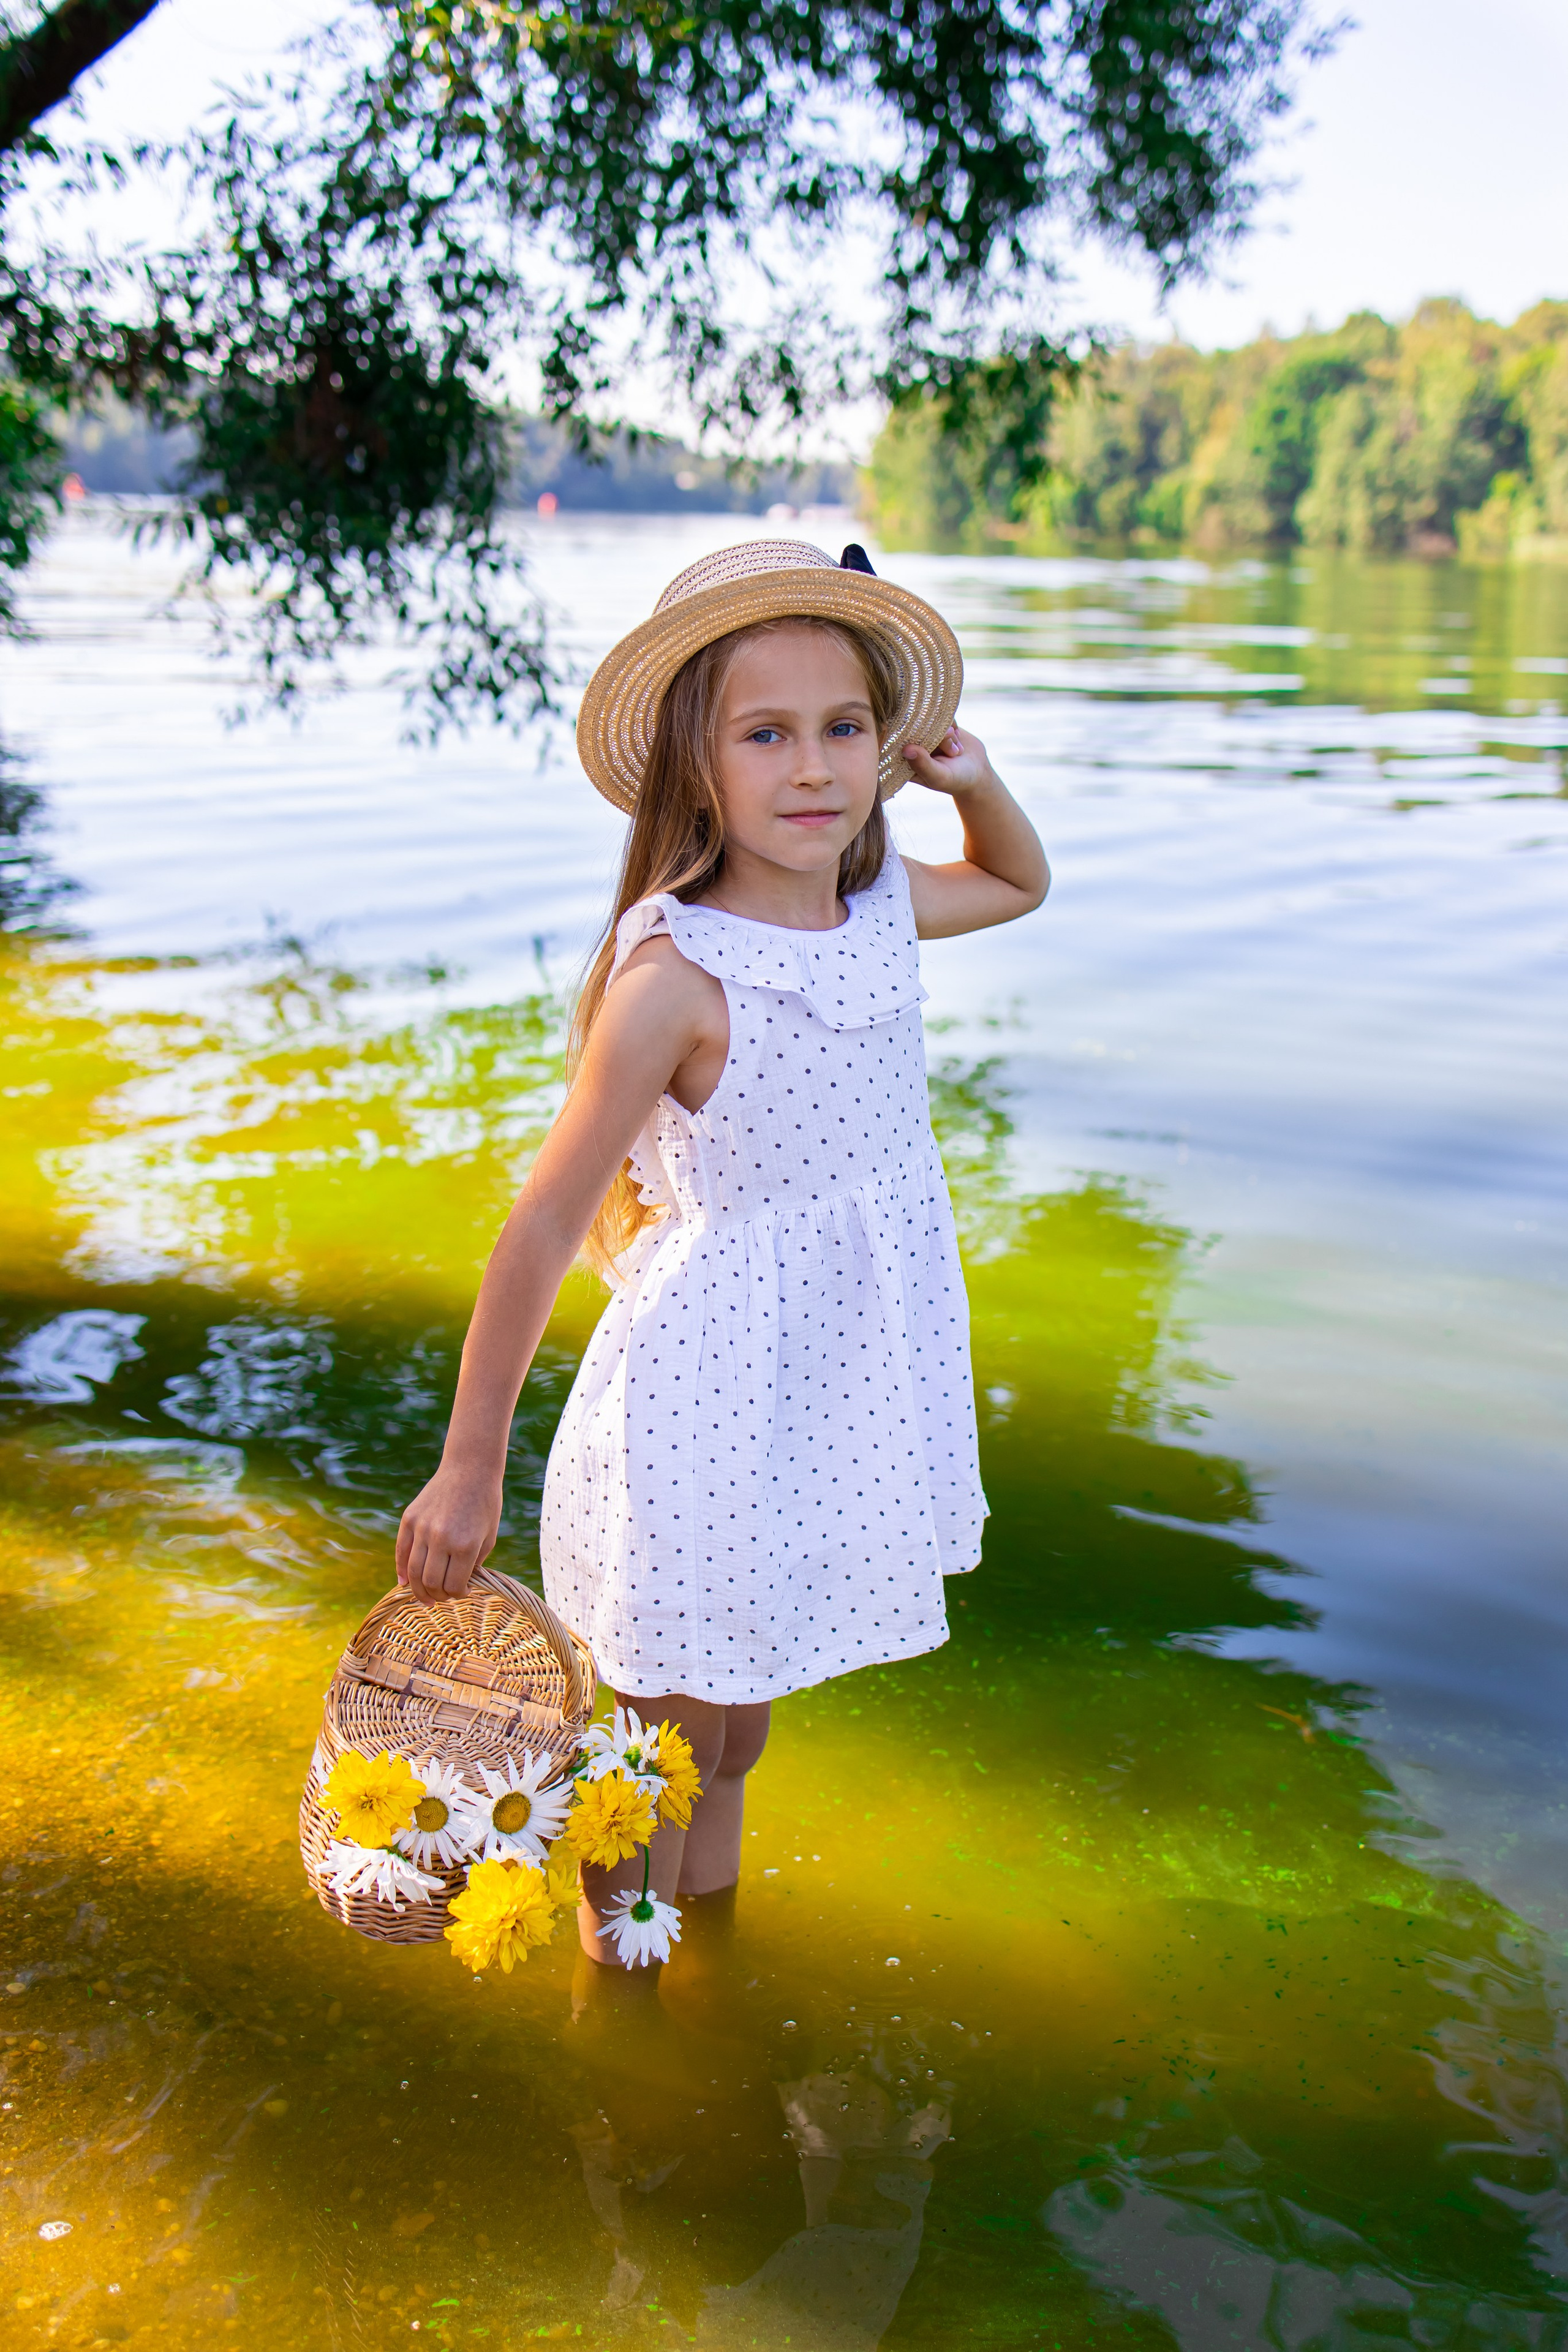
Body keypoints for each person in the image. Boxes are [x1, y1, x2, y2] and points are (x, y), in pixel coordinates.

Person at [394, 538, 1049, 1967]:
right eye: (766, 734)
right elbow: (540, 1228)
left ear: (886, 746)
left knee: (735, 1727)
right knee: (652, 1751)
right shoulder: (674, 980)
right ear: (698, 766)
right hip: (700, 1404)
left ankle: (714, 1970)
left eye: (843, 728)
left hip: (816, 1397)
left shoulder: (876, 916)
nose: (812, 767)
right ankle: (625, 2022)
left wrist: (972, 775)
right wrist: (467, 1460)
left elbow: (1013, 884)